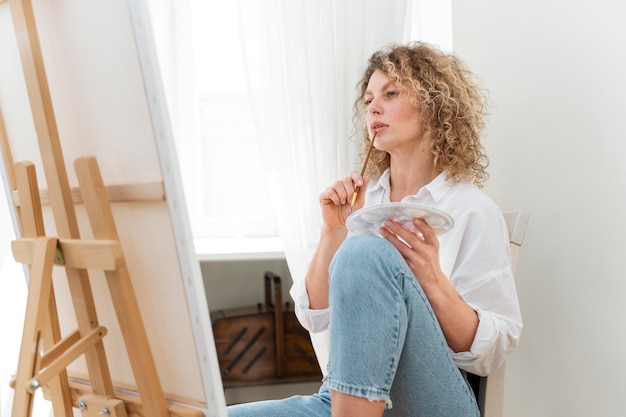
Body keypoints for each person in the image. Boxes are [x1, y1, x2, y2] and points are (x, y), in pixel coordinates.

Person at [227, 41, 522, 417]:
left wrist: (431, 278)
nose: (374, 108)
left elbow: (490, 353)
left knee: (366, 251)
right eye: (368, 100)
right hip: (341, 396)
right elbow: (315, 316)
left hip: (431, 403)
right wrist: (333, 233)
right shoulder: (362, 204)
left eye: (391, 93)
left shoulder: (470, 210)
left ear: (433, 106)